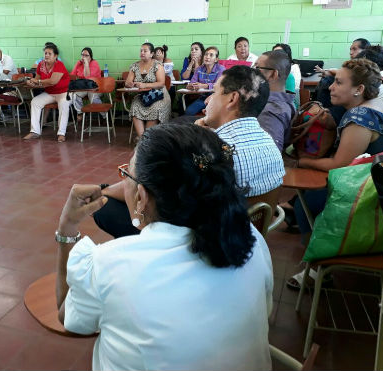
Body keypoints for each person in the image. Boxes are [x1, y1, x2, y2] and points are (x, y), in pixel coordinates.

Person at [55, 124, 273, 371]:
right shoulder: (251, 237)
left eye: (127, 174)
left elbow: (68, 317)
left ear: (142, 197)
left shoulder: (109, 264)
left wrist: (67, 227)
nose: (124, 181)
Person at [94, 66, 285, 238]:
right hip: (246, 235)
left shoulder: (212, 152)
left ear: (232, 99)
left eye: (214, 92)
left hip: (201, 240)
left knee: (106, 206)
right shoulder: (271, 145)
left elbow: (149, 190)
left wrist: (104, 190)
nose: (208, 99)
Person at [287, 58, 383, 290]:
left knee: (306, 202)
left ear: (359, 90)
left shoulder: (359, 119)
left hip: (371, 195)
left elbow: (340, 164)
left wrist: (304, 161)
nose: (330, 87)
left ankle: (318, 269)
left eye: (338, 82)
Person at [23, 43, 71, 142]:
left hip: (63, 93)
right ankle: (35, 131)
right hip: (50, 93)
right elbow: (37, 79)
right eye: (45, 53)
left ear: (55, 56)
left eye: (49, 53)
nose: (47, 55)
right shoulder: (41, 65)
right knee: (35, 102)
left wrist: (38, 82)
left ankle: (61, 133)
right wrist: (31, 83)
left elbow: (53, 81)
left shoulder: (59, 65)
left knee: (64, 104)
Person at [125, 43, 171, 140]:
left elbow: (161, 83)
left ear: (151, 53)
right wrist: (130, 84)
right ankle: (144, 139)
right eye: (141, 50)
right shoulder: (135, 66)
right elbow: (128, 82)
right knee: (135, 106)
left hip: (159, 95)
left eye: (145, 51)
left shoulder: (157, 65)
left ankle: (146, 138)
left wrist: (145, 85)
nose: (142, 53)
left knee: (155, 108)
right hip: (142, 95)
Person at [255, 50, 296, 152]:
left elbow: (269, 155)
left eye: (257, 68)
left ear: (273, 74)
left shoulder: (270, 112)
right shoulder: (283, 101)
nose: (252, 72)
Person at [184, 46, 225, 116]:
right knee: (188, 112)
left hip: (216, 97)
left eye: (211, 55)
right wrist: (191, 86)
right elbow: (192, 82)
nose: (207, 57)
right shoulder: (199, 69)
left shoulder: (221, 69)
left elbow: (218, 85)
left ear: (216, 59)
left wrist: (204, 85)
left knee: (212, 115)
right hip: (202, 97)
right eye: (206, 54)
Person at [70, 47, 102, 122]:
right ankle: (80, 112)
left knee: (93, 97)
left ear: (90, 56)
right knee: (74, 95)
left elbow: (88, 77)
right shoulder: (79, 63)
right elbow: (72, 76)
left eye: (86, 55)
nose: (83, 57)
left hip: (95, 88)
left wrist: (86, 64)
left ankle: (104, 115)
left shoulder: (94, 63)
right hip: (83, 88)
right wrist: (77, 64)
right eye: (82, 55)